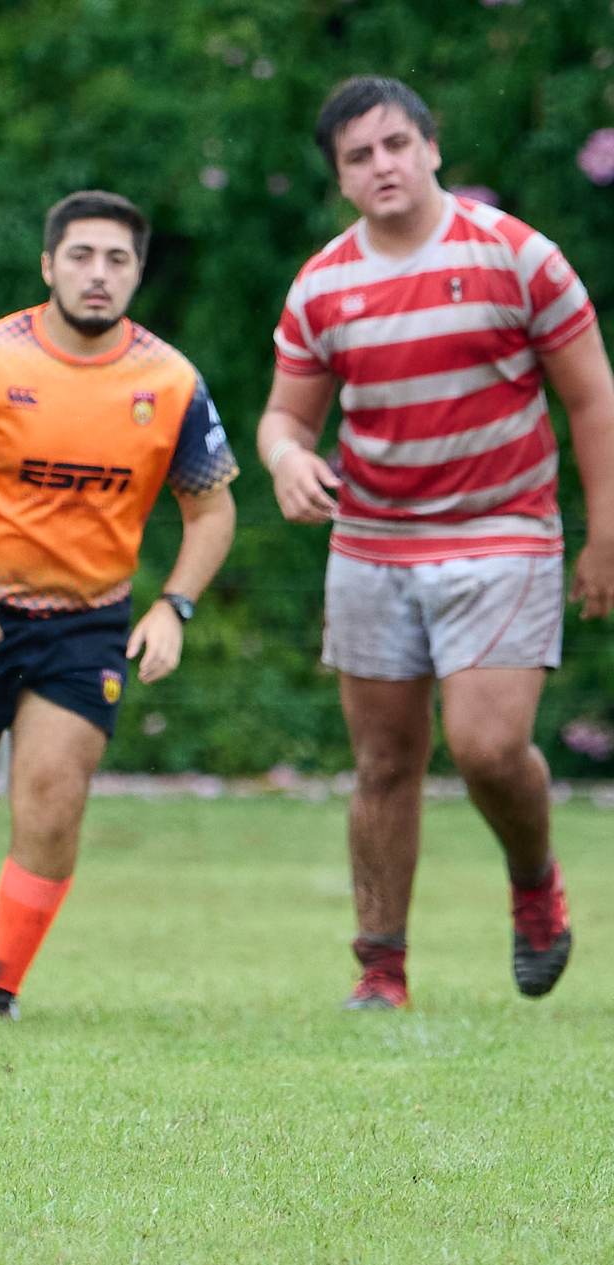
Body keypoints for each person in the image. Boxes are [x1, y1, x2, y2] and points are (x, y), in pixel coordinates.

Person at [257, 77, 614, 1010]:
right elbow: (284, 420)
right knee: (383, 762)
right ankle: (381, 968)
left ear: (431, 147)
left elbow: (591, 397)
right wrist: (288, 462)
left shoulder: (517, 256)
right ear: (340, 178)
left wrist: (607, 530)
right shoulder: (325, 282)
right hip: (372, 544)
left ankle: (534, 883)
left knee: (488, 747)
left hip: (503, 530)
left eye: (395, 145)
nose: (383, 166)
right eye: (359, 156)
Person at [0, 190, 240, 1022]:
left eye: (118, 260)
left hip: (86, 621)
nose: (98, 275)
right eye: (81, 256)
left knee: (54, 795)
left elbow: (212, 508)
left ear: (138, 273)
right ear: (48, 266)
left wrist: (174, 605)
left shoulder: (170, 382)